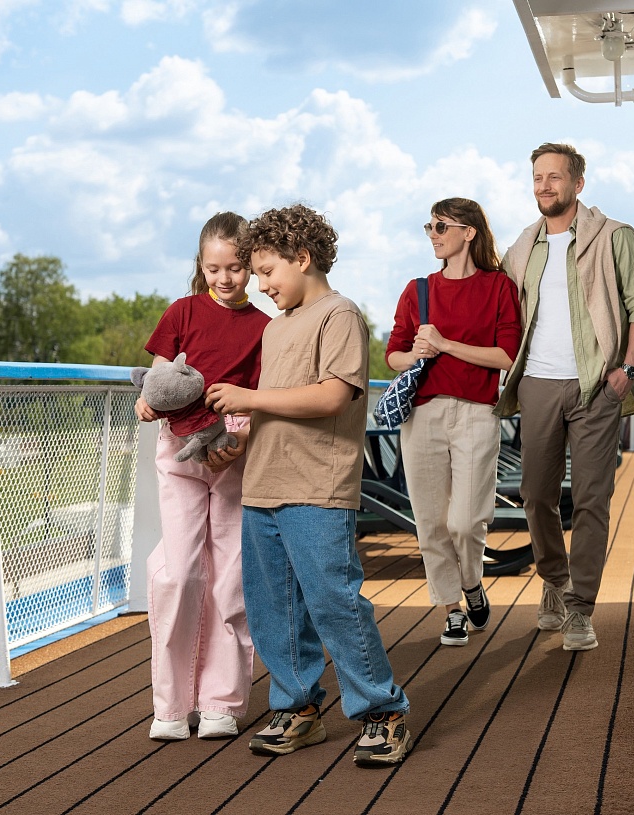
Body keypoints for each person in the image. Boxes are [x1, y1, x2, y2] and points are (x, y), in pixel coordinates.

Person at [205, 204, 412, 767]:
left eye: (267, 272)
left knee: (333, 602)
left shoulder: (339, 315)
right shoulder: (276, 328)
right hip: (262, 485)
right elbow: (274, 406)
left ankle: (383, 712)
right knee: (273, 608)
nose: (260, 285)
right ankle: (298, 707)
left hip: (317, 486)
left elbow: (331, 397)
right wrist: (239, 440)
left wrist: (248, 397)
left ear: (302, 258)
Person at [494, 143, 634, 652]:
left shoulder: (614, 236)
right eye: (537, 177)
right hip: (537, 384)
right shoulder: (522, 246)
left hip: (597, 385)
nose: (544, 186)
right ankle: (554, 580)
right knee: (536, 495)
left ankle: (580, 608)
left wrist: (627, 370)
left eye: (555, 177)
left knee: (591, 499)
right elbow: (499, 309)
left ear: (578, 183)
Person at [136, 212, 271, 740]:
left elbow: (261, 401)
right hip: (179, 450)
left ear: (250, 266)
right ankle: (171, 705)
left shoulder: (264, 328)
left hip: (234, 450)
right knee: (179, 574)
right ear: (201, 265)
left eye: (235, 267)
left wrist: (238, 444)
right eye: (214, 268)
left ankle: (221, 701)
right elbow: (160, 380)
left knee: (229, 580)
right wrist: (146, 402)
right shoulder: (182, 312)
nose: (225, 278)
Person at [385, 198, 521, 647]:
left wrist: (444, 344)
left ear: (469, 232)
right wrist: (414, 355)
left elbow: (507, 356)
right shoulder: (418, 290)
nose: (433, 234)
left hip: (477, 412)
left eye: (441, 226)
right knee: (430, 519)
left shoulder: (498, 287)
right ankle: (452, 608)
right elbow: (393, 354)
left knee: (466, 520)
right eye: (429, 226)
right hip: (422, 414)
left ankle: (471, 580)